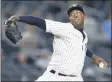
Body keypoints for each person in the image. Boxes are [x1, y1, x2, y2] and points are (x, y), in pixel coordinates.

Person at [5, 4, 107, 81]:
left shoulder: (83, 34)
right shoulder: (63, 28)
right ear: (70, 18)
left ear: (85, 16)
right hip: (54, 77)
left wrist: (95, 57)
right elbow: (38, 21)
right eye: (72, 14)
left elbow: (82, 48)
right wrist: (18, 18)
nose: (75, 15)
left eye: (78, 13)